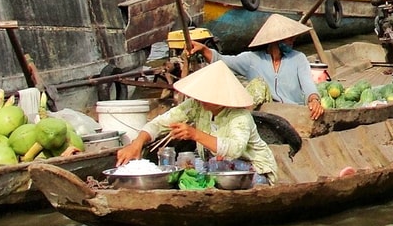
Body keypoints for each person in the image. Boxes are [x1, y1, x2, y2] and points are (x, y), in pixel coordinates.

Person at [115, 60, 279, 184]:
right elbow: (159, 123)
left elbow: (234, 150)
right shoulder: (196, 105)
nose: (202, 100)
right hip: (217, 167)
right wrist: (137, 143)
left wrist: (195, 134)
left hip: (254, 170)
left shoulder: (240, 116)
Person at [187, 14, 324, 120]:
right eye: (289, 38)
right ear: (276, 41)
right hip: (265, 114)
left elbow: (308, 84)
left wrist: (314, 99)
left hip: (294, 112)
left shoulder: (298, 58)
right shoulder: (252, 59)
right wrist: (204, 50)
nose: (293, 41)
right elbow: (223, 61)